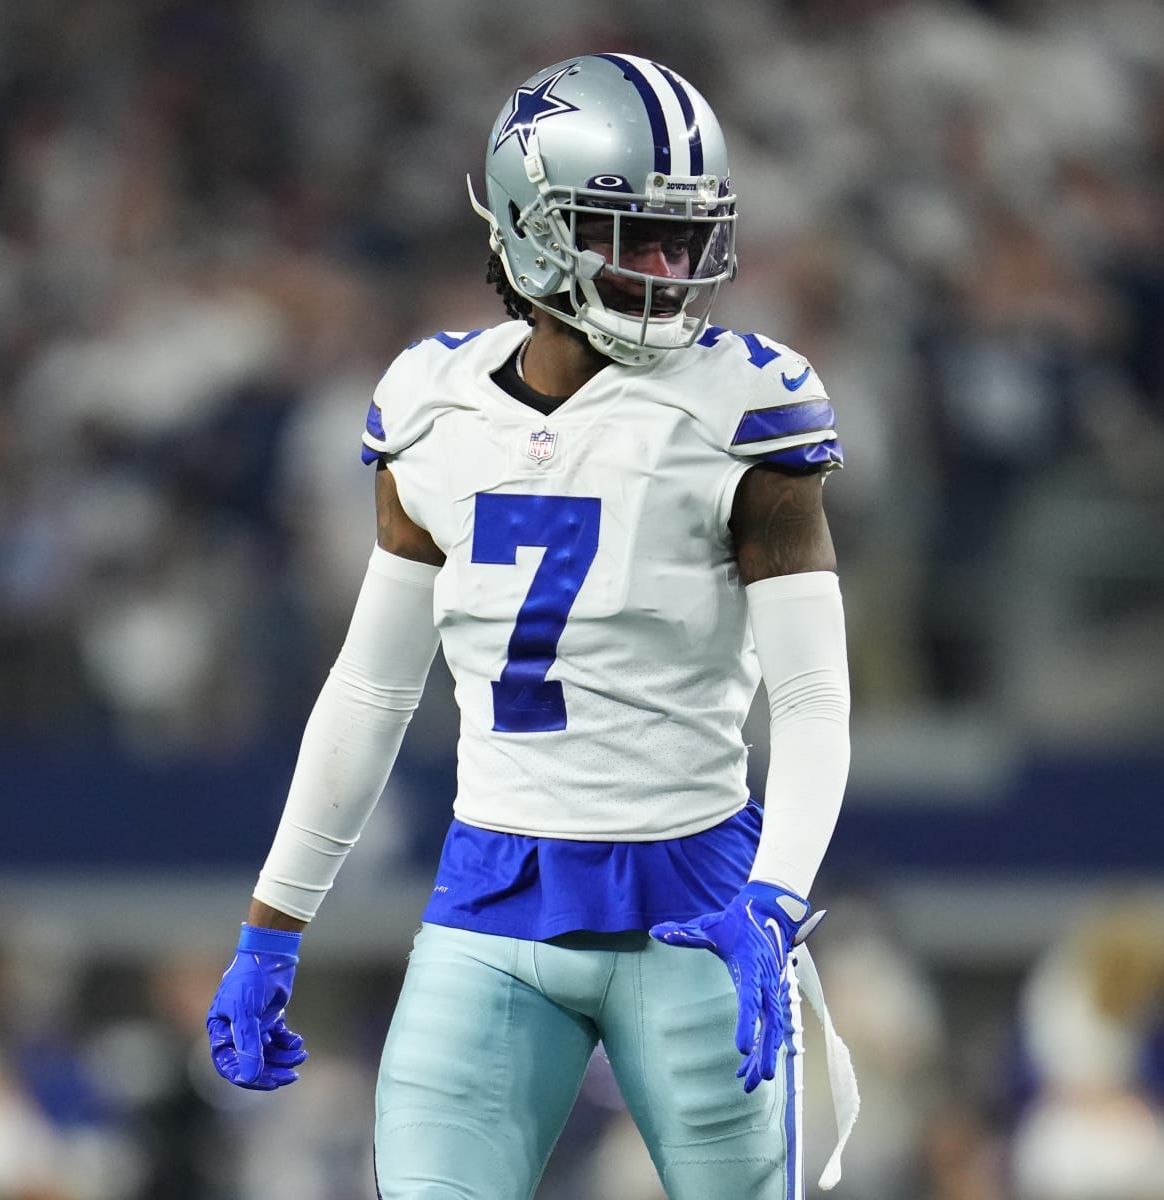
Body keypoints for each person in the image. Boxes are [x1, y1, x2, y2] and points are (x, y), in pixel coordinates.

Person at [204, 52, 859, 1198]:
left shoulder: (745, 405)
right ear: (532, 227)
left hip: (700, 908)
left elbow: (809, 698)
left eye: (681, 239)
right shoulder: (432, 405)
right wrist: (275, 920)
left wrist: (778, 895)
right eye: (630, 234)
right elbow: (372, 688)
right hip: (491, 900)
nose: (667, 269)